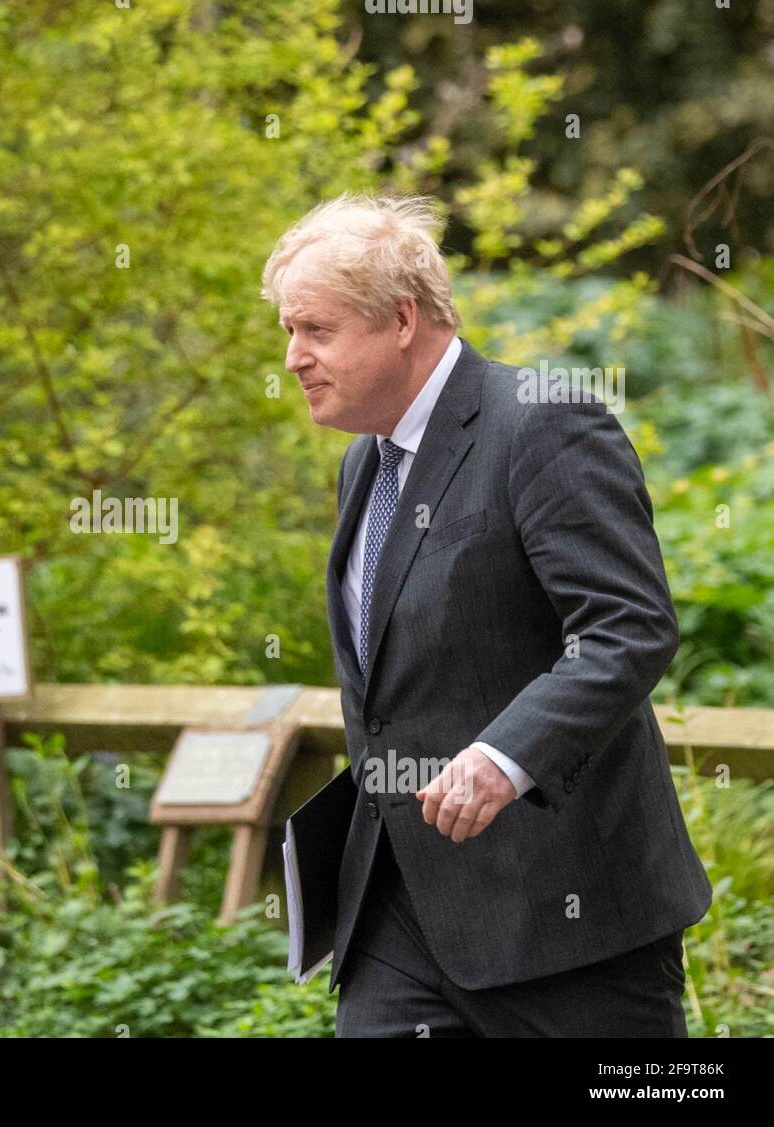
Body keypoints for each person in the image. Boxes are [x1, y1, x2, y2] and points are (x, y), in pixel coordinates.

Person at [260, 193, 711, 1037]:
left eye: (315, 330)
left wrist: (507, 756)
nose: (293, 358)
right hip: (395, 920)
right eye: (289, 331)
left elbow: (625, 626)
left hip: (565, 920)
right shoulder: (366, 461)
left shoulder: (543, 420)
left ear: (400, 319)